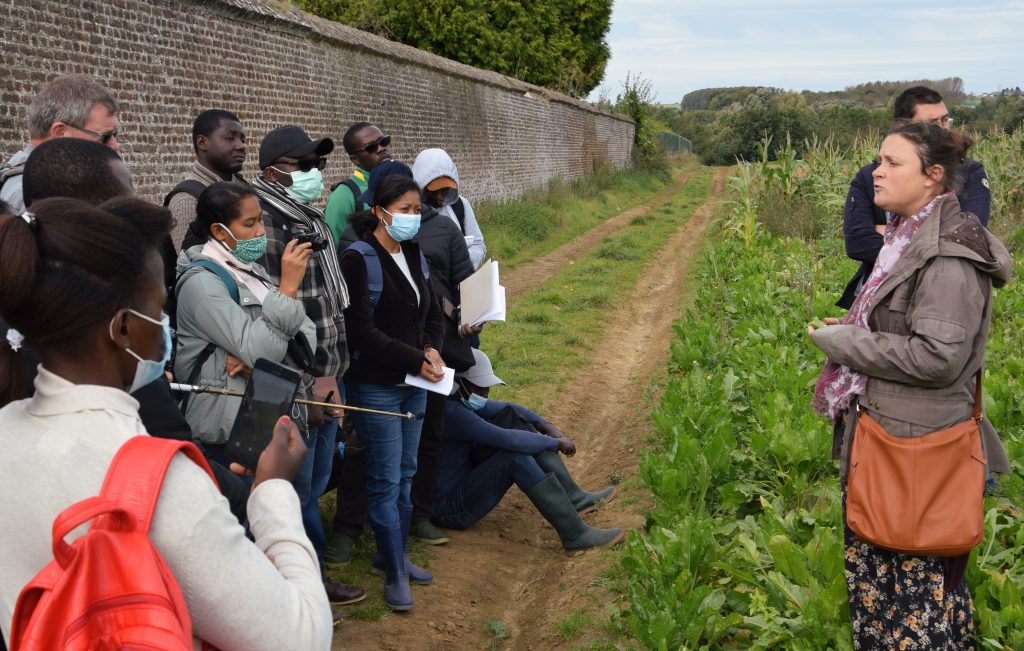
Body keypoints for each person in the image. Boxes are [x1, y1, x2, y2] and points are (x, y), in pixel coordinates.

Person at [0, 197, 333, 650]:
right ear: (121, 329)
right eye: (160, 310)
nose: (167, 326)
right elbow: (299, 637)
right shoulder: (163, 484)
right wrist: (271, 491)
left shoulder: (6, 431)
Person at [809, 121, 1011, 649]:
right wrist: (857, 329)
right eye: (879, 159)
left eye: (892, 162)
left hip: (916, 450)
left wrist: (848, 344)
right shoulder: (907, 238)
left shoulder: (945, 256)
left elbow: (939, 357)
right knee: (895, 582)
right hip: (894, 438)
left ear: (933, 176)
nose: (877, 171)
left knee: (911, 596)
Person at [16, 138, 252, 524]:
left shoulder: (26, 301)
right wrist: (263, 494)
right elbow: (179, 472)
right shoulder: (108, 346)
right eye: (124, 203)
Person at [251, 124, 359, 605]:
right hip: (298, 379)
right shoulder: (262, 226)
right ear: (275, 173)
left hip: (329, 369)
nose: (317, 174)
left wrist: (332, 377)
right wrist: (311, 384)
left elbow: (328, 305)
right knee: (295, 486)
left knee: (315, 481)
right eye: (306, 166)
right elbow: (271, 310)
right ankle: (303, 585)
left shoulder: (309, 219)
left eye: (319, 165)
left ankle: (306, 580)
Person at [340, 174, 446, 610]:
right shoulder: (358, 258)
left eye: (417, 209)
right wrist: (412, 360)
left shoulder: (415, 253)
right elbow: (360, 331)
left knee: (405, 472)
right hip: (378, 387)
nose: (412, 217)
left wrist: (434, 348)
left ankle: (392, 556)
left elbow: (434, 312)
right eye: (404, 210)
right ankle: (396, 572)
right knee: (384, 480)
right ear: (380, 211)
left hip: (415, 384)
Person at [433, 348, 624, 550]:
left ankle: (574, 497)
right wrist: (555, 443)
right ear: (458, 383)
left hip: (464, 478)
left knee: (516, 420)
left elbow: (511, 408)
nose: (485, 394)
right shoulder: (452, 413)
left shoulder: (459, 398)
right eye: (479, 388)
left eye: (486, 388)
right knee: (516, 457)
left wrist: (549, 427)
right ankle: (575, 535)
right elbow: (510, 440)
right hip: (449, 507)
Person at [837, 85, 992, 309]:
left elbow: (968, 236)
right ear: (906, 127)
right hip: (877, 295)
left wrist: (890, 236)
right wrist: (926, 242)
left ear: (935, 175)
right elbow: (857, 243)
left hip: (933, 298)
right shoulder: (870, 176)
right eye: (933, 123)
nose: (944, 129)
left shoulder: (970, 172)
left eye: (945, 120)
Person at [0, 73, 119, 214]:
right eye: (105, 137)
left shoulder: (58, 183)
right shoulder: (27, 198)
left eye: (115, 135)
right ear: (60, 134)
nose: (115, 145)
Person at [167, 109, 249, 245]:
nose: (241, 146)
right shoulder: (187, 200)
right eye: (230, 138)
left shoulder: (243, 187)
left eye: (242, 139)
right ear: (202, 143)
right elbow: (190, 263)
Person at [413, 148, 487, 270]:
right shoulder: (409, 213)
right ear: (422, 187)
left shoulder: (461, 205)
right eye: (435, 190)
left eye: (446, 190)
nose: (440, 197)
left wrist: (462, 258)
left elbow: (479, 245)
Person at [325, 121, 393, 244]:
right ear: (355, 159)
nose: (382, 148)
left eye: (384, 142)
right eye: (371, 148)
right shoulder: (343, 196)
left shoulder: (401, 183)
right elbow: (335, 250)